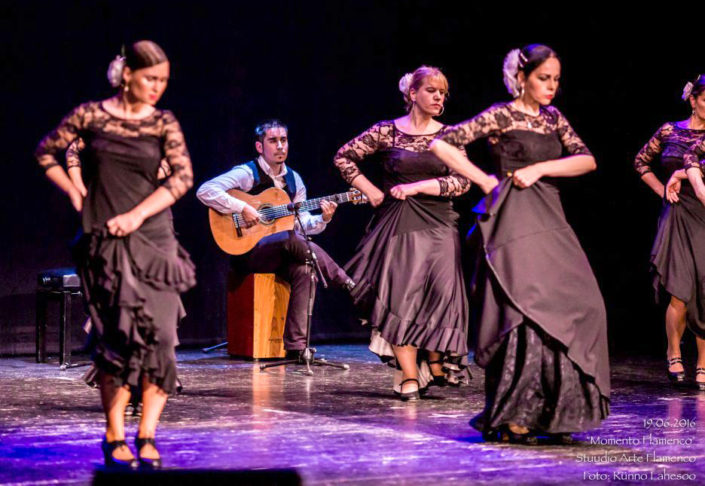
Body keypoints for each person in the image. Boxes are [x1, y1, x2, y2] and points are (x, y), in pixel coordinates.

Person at [430, 45, 610, 442]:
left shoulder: (553, 119)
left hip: (548, 215)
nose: (551, 86)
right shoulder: (502, 114)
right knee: (524, 311)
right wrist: (483, 180)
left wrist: (541, 167)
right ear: (523, 77)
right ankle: (517, 415)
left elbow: (586, 159)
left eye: (556, 79)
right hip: (511, 218)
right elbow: (443, 143)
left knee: (582, 304)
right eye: (544, 78)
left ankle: (560, 412)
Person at [35, 40, 196, 468]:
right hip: (104, 239)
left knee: (160, 337)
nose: (157, 87)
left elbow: (182, 179)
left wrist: (138, 214)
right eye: (149, 79)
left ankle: (148, 434)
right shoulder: (92, 116)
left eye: (163, 80)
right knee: (116, 340)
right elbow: (47, 151)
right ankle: (114, 433)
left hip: (154, 238)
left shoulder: (164, 122)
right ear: (127, 76)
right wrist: (75, 191)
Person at [334, 66, 472, 401]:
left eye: (443, 92)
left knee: (441, 292)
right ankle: (409, 373)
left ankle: (436, 358)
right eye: (432, 91)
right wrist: (369, 189)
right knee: (402, 295)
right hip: (399, 222)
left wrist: (420, 186)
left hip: (439, 221)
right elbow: (344, 157)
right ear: (412, 94)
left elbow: (464, 180)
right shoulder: (386, 131)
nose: (439, 97)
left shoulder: (450, 135)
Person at [197, 120, 354, 358]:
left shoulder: (294, 180)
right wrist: (242, 207)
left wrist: (323, 218)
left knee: (305, 270)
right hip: (248, 253)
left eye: (284, 140)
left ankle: (296, 348)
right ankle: (346, 283)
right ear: (260, 147)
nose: (280, 146)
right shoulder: (247, 173)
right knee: (290, 238)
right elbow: (205, 190)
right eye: (273, 141)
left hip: (281, 253)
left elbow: (301, 224)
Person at [655, 75, 705, 389]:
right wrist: (664, 190)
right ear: (694, 98)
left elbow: (694, 164)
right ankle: (674, 351)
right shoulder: (670, 130)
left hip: (704, 213)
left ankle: (703, 362)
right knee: (680, 288)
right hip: (678, 214)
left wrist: (680, 174)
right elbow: (640, 163)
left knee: (704, 286)